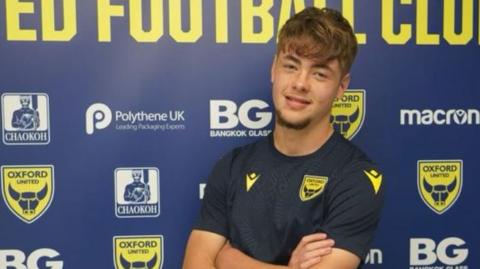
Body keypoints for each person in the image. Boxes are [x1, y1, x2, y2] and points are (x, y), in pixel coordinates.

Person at [183, 7, 384, 269]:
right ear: (273, 70)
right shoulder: (232, 166)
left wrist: (230, 260)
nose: (300, 83)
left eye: (319, 73)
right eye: (291, 66)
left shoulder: (356, 177)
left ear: (341, 87)